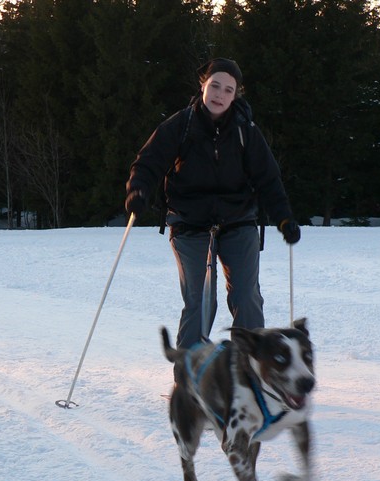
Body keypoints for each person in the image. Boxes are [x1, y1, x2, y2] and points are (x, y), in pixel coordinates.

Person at [124, 58, 300, 348]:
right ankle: (190, 379)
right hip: (189, 223)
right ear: (202, 86)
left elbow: (269, 179)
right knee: (202, 300)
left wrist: (284, 218)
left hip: (238, 221)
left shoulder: (247, 131)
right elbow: (148, 163)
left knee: (247, 297)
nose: (220, 95)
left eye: (228, 90)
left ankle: (250, 374)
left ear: (236, 95)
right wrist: (138, 192)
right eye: (214, 86)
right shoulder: (180, 125)